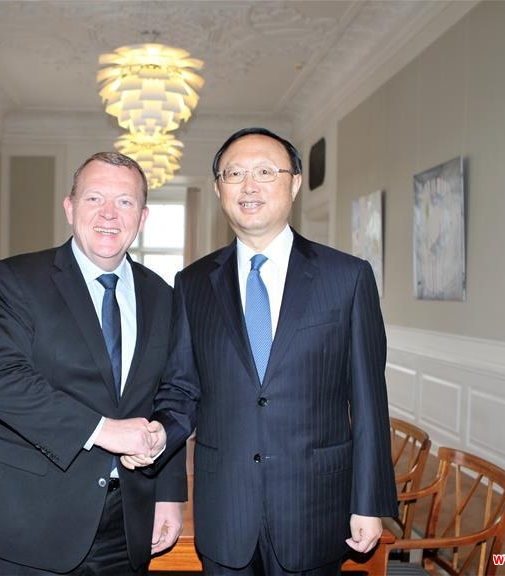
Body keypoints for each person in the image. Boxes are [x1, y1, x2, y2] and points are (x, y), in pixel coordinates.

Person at [127, 127, 397, 575]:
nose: (249, 186)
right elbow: (181, 389)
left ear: (293, 184)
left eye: (265, 172)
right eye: (235, 174)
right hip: (225, 512)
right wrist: (160, 435)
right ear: (218, 189)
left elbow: (369, 401)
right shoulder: (192, 284)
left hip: (314, 510)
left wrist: (368, 503)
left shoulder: (347, 278)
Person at [0, 152, 187, 575]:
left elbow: (169, 396)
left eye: (124, 202)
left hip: (127, 525)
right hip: (32, 523)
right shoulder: (19, 279)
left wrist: (169, 494)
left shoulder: (163, 295)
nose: (109, 214)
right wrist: (105, 431)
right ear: (70, 208)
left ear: (141, 218)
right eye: (94, 198)